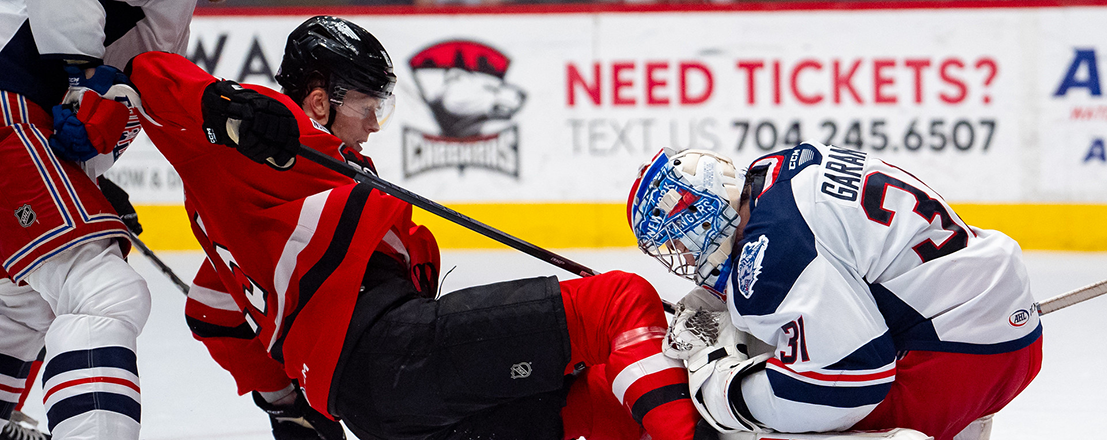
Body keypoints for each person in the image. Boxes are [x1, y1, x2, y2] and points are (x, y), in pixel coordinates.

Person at [121, 16, 701, 440]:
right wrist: (227, 104)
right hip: (396, 353)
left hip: (380, 412)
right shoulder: (278, 140)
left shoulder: (255, 223)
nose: (374, 123)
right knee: (616, 302)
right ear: (319, 101)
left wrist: (286, 406)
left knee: (596, 399)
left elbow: (210, 309)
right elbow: (145, 71)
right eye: (367, 105)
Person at [627, 145, 1043, 440]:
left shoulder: (773, 247)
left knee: (753, 423)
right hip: (1004, 327)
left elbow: (849, 385)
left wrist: (721, 388)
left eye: (680, 237)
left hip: (957, 362)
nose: (682, 252)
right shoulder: (780, 168)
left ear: (708, 211)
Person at [0, 0, 197, 439]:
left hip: (24, 113)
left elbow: (110, 106)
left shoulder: (177, 19)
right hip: (10, 97)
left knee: (24, 303)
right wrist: (80, 78)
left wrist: (85, 180)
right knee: (103, 292)